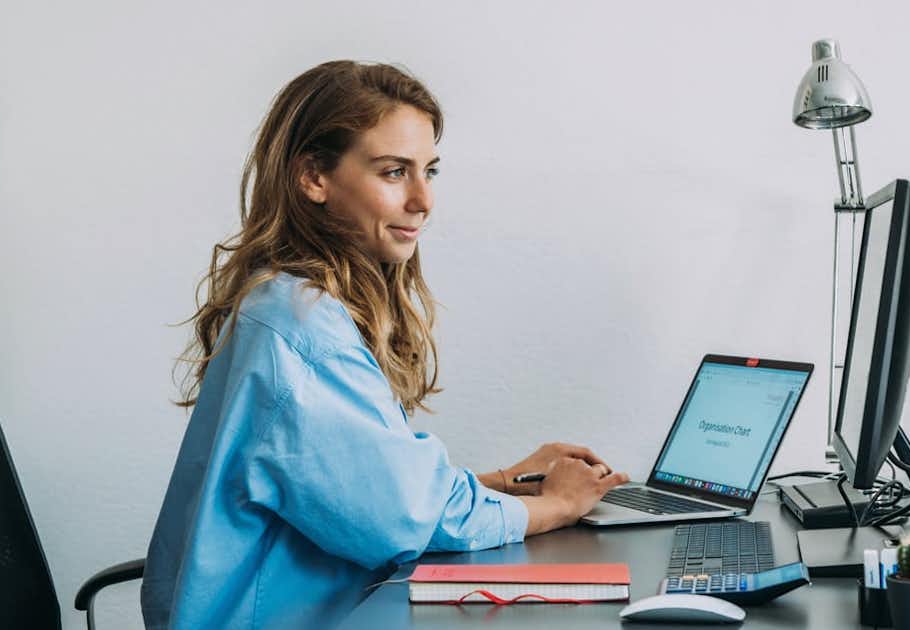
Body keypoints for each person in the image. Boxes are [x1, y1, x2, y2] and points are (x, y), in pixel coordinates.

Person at [140, 60, 629, 630]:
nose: (424, 200)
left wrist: (501, 480)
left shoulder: (287, 302)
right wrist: (558, 506)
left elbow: (369, 482)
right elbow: (401, 519)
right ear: (313, 178)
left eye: (430, 171)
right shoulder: (301, 327)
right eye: (395, 172)